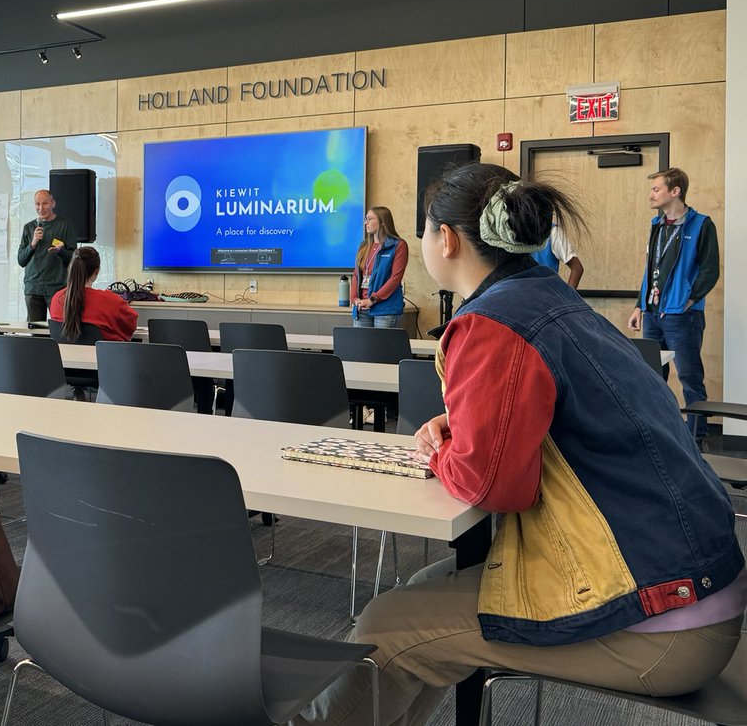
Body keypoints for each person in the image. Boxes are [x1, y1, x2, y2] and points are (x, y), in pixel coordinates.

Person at [293, 163, 743, 726]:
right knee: (427, 588)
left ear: (447, 239)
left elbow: (492, 485)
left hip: (658, 618)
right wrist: (464, 430)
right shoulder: (550, 299)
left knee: (390, 628)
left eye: (427, 231)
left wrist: (439, 450)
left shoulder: (491, 323)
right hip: (694, 583)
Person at [628, 167, 720, 451]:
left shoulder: (701, 224)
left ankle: (696, 439)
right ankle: (659, 435)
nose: (651, 194)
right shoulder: (657, 225)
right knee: (652, 376)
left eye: (656, 189)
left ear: (675, 191)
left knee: (690, 378)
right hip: (654, 314)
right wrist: (639, 305)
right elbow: (651, 270)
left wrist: (689, 299)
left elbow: (710, 270)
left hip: (683, 316)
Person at [49, 246, 138, 342]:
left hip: (67, 356)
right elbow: (131, 325)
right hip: (104, 356)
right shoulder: (111, 301)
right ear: (97, 271)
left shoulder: (57, 298)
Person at [16, 190, 76, 321]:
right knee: (36, 332)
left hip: (57, 287)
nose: (41, 208)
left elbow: (74, 258)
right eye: (37, 204)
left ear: (53, 203)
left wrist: (61, 251)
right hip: (33, 288)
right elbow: (21, 260)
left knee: (61, 328)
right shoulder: (29, 227)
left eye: (45, 203)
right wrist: (33, 243)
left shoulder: (64, 225)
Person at [350, 206, 408, 328]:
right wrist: (355, 299)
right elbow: (356, 275)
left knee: (381, 347)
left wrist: (372, 299)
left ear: (382, 222)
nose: (366, 223)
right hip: (362, 309)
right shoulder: (363, 246)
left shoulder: (398, 245)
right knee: (361, 347)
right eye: (366, 219)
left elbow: (395, 279)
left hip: (385, 310)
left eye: (370, 219)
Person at [531, 222, 584, 288]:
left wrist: (568, 296)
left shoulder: (554, 233)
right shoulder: (517, 233)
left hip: (547, 295)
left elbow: (577, 268)